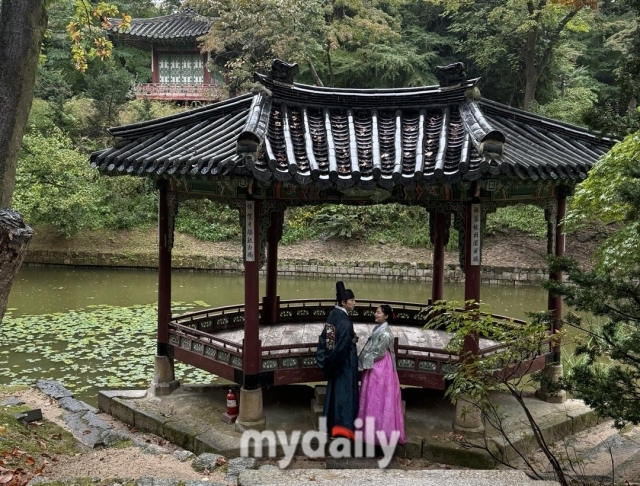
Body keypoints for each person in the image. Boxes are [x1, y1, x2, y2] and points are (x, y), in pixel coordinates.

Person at [357, 304, 406, 446]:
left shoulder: (385, 333)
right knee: (375, 397)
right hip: (379, 363)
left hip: (380, 366)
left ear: (385, 316)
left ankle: (379, 432)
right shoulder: (379, 328)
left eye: (378, 312)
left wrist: (362, 359)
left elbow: (378, 353)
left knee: (377, 397)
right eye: (375, 312)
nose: (375, 314)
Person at [316, 281, 359, 439]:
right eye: (352, 300)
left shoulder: (332, 316)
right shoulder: (345, 322)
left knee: (334, 394)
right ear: (343, 302)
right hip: (344, 364)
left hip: (334, 362)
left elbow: (328, 340)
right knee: (345, 396)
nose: (354, 303)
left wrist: (328, 361)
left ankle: (330, 427)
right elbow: (341, 348)